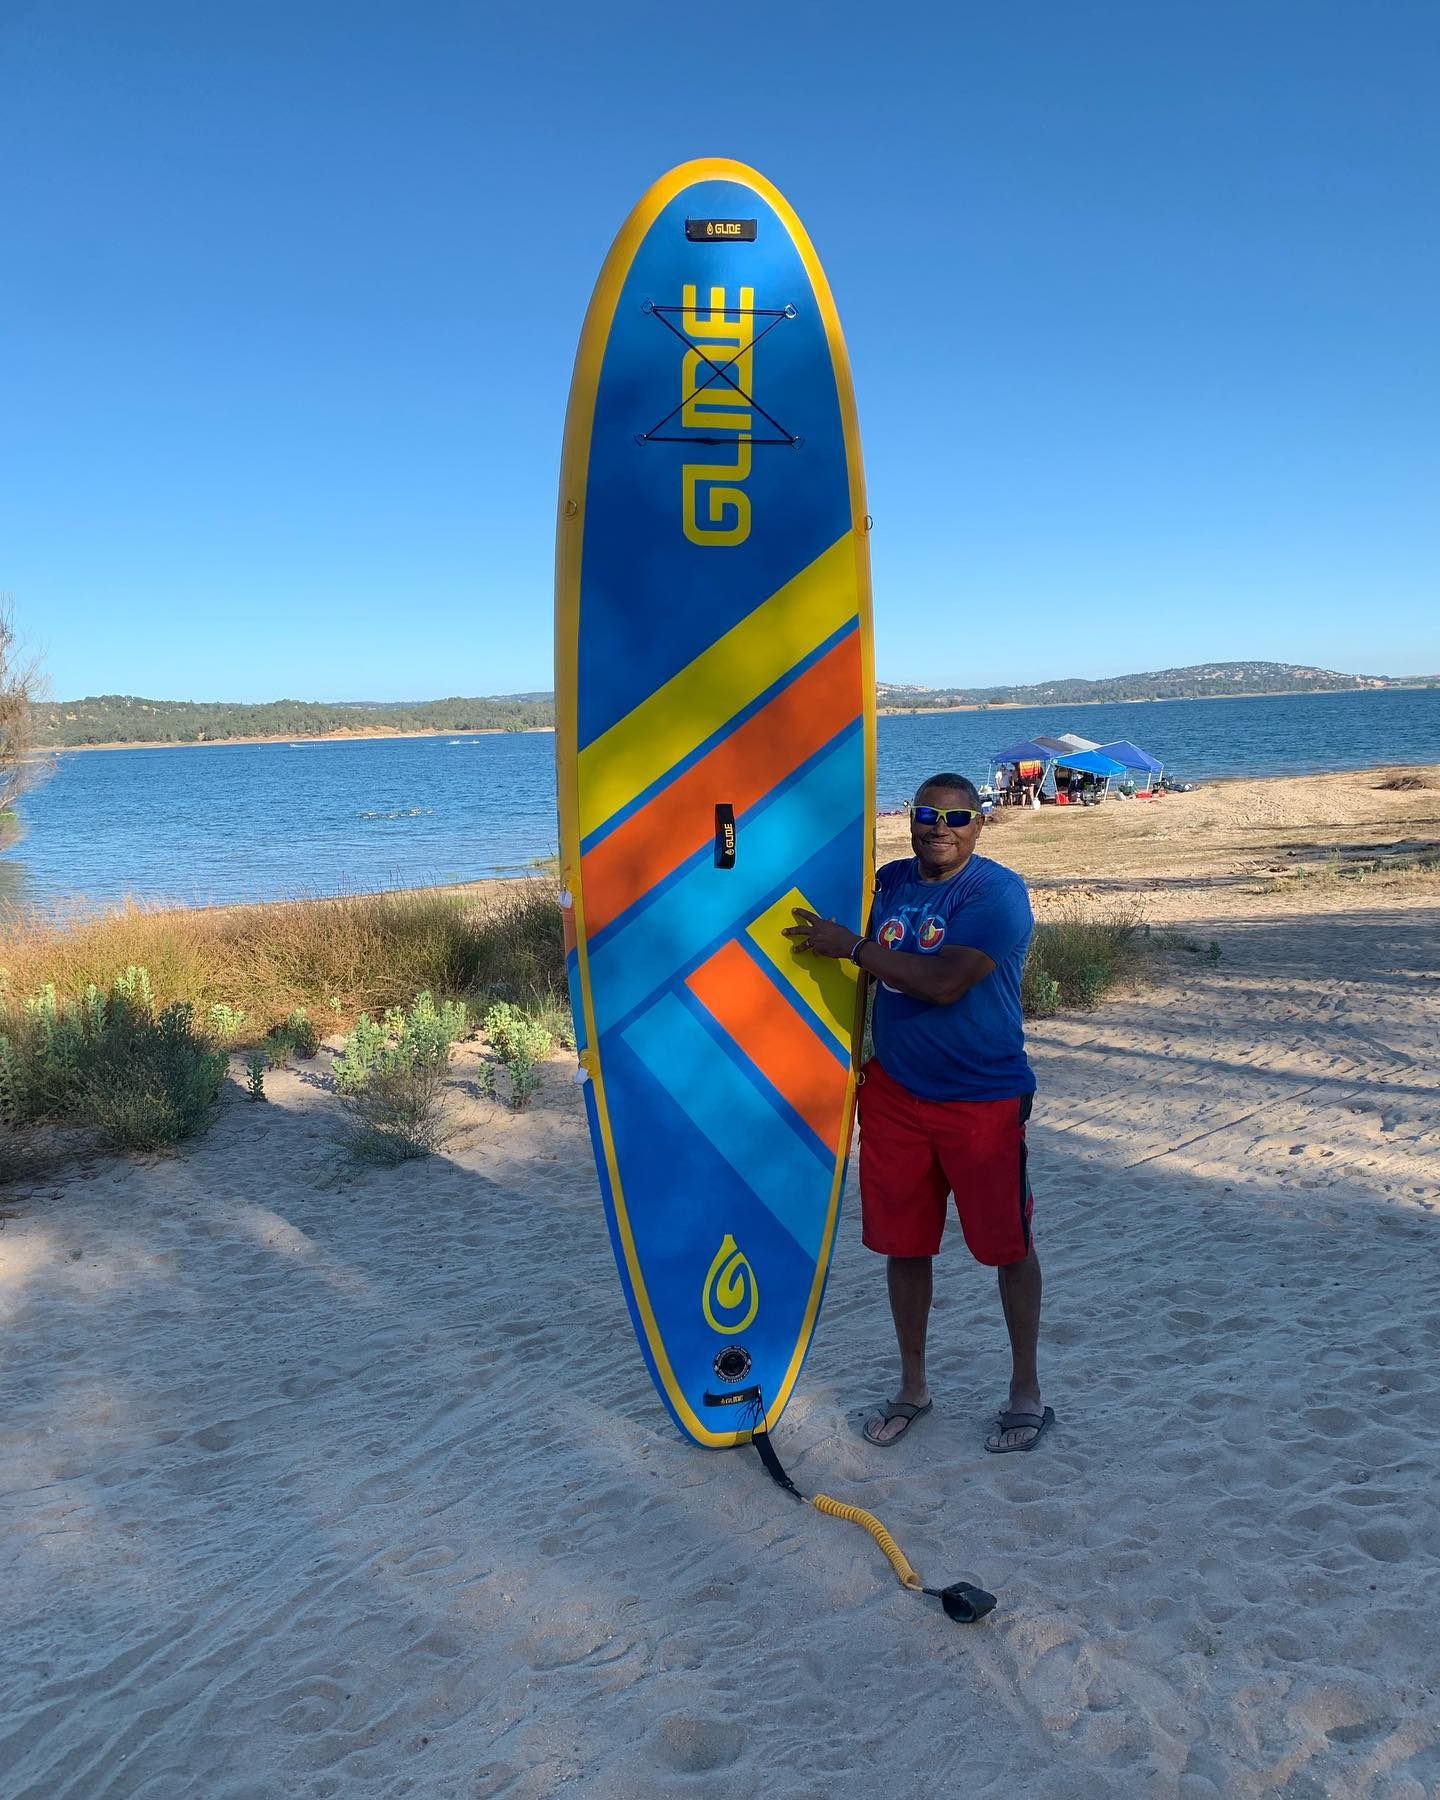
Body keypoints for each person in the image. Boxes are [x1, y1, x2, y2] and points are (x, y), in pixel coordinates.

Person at [784, 773, 1051, 1454]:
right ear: (911, 819)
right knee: (905, 1246)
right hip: (897, 1097)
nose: (941, 828)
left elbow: (942, 983)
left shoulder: (995, 893)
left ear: (980, 824)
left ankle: (1026, 1392)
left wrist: (856, 948)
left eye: (957, 818)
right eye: (929, 814)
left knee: (1007, 1247)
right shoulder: (891, 882)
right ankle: (913, 1387)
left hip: (982, 1098)